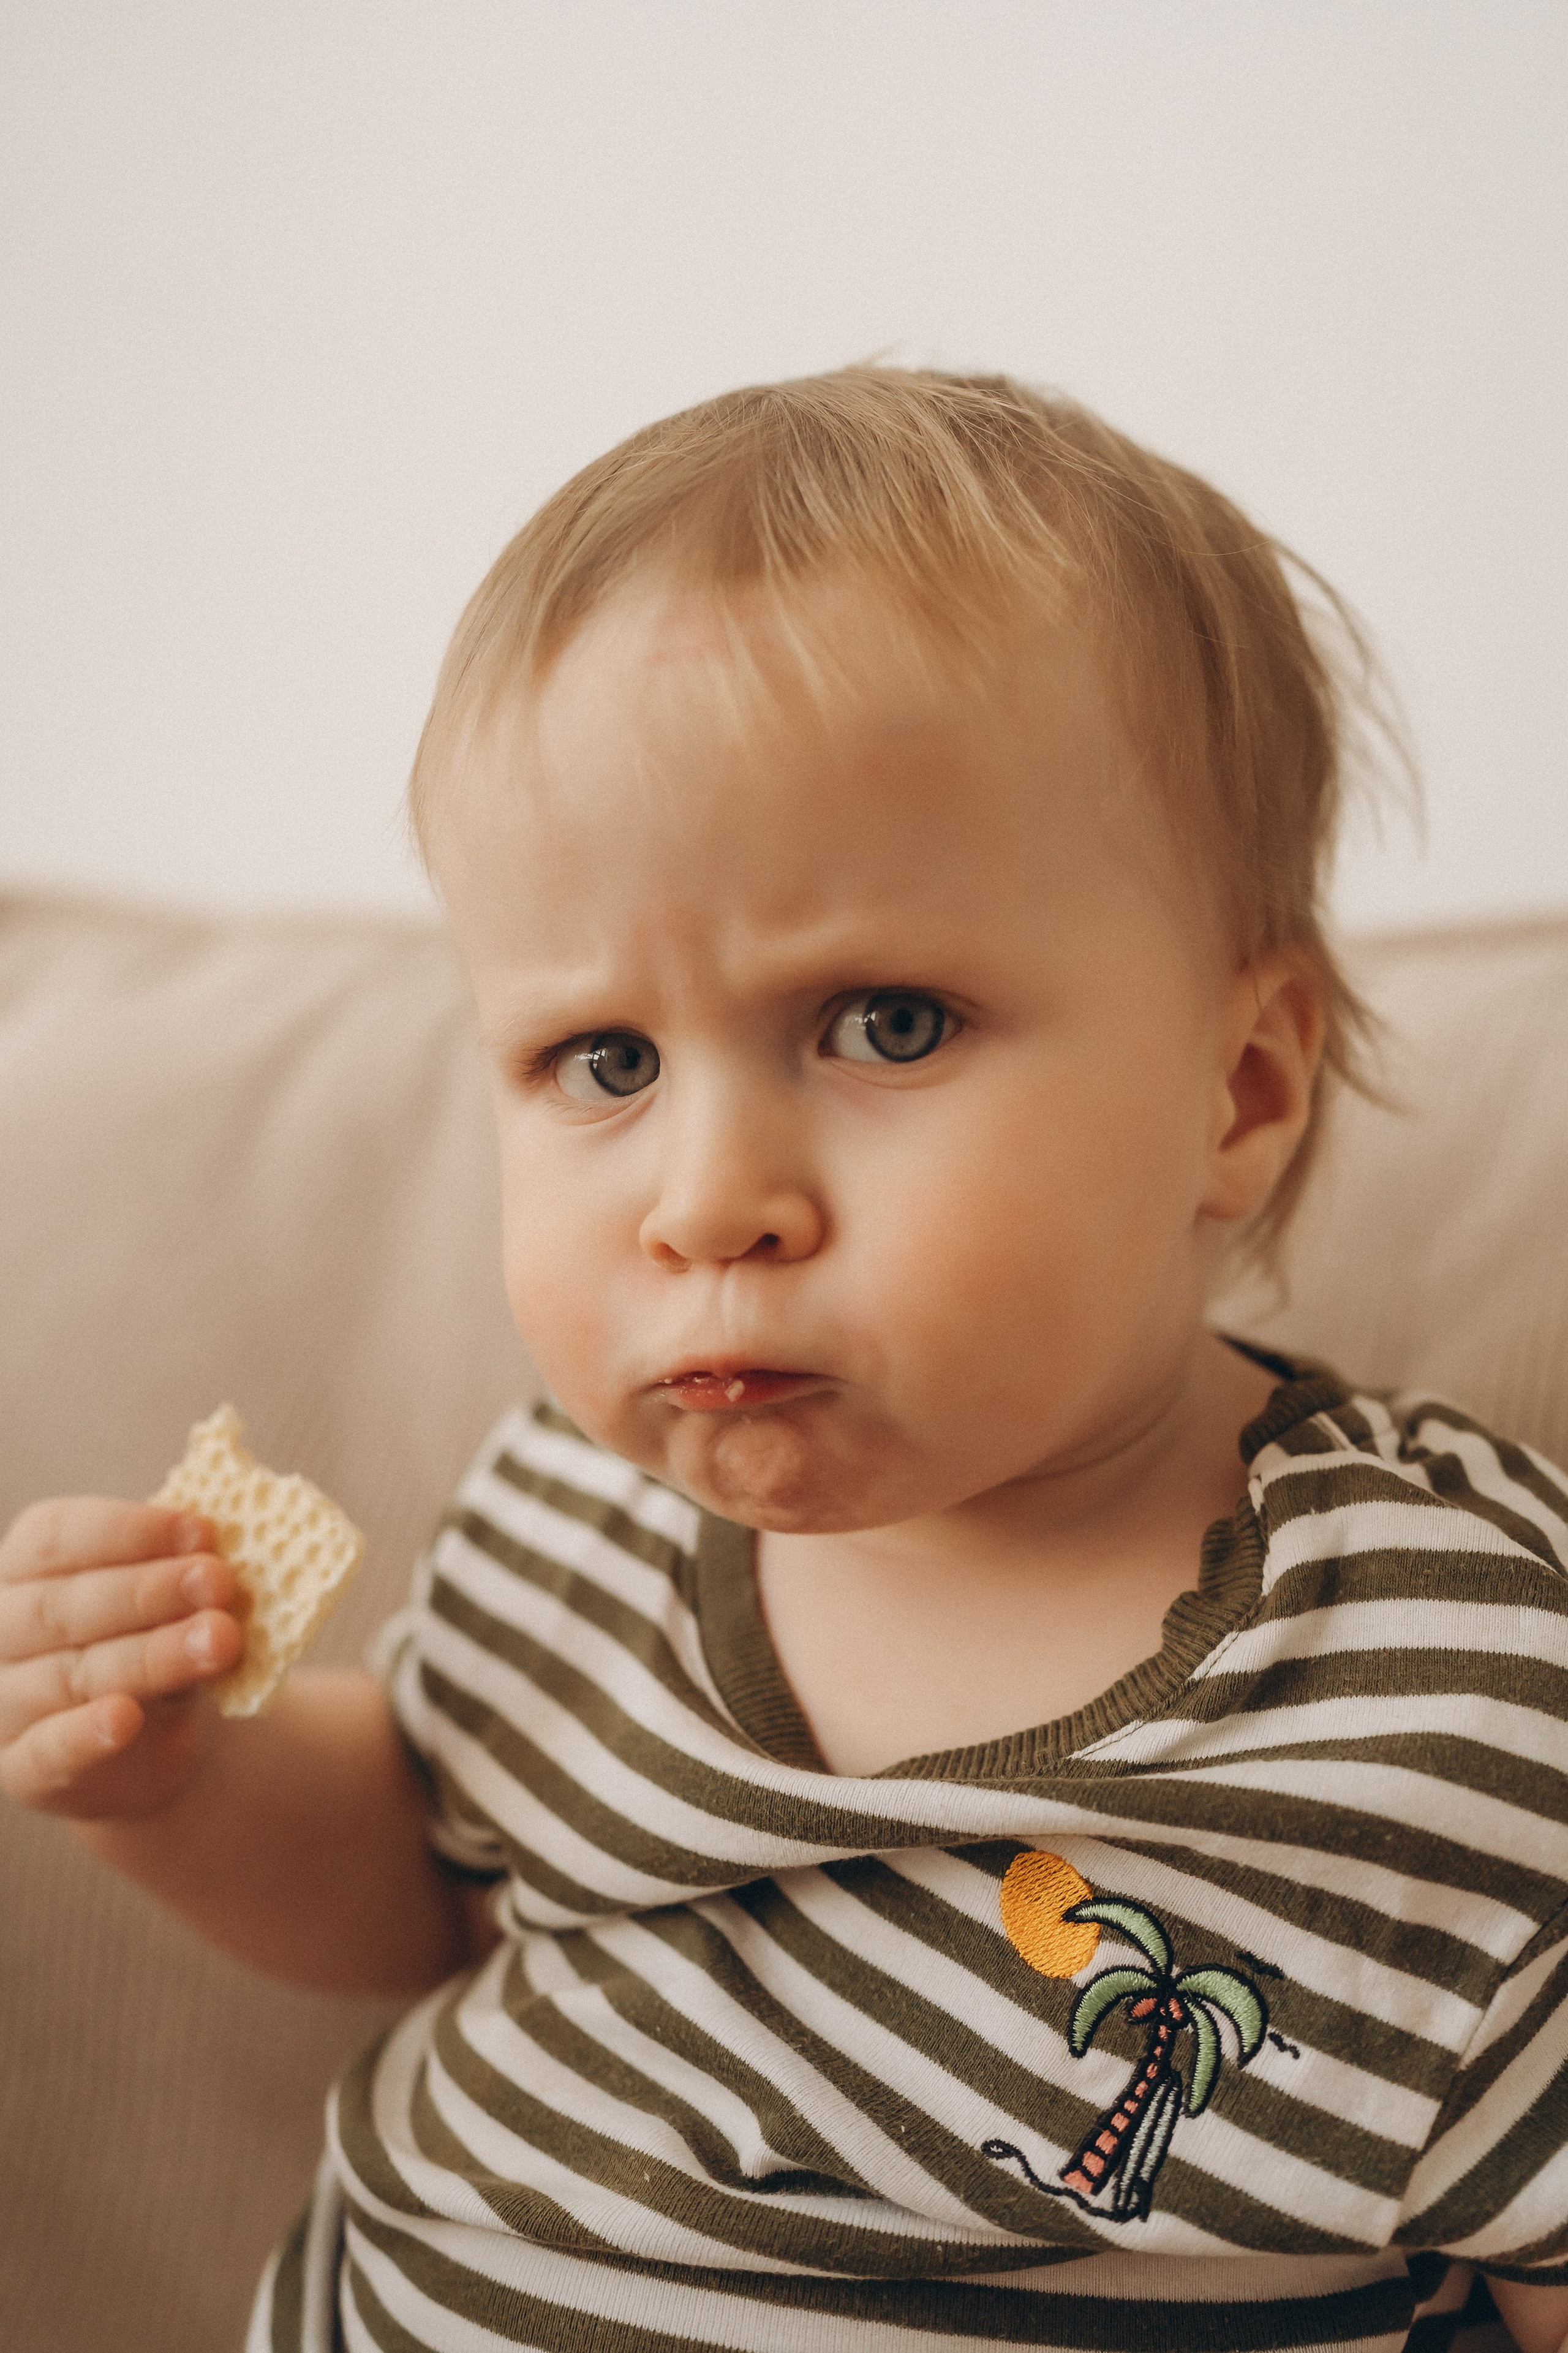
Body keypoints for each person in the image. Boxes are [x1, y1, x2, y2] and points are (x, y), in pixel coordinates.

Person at [2, 369, 1565, 2353]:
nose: (706, 1198)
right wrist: (186, 1781)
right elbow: (427, 1869)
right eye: (607, 1061)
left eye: (887, 1024)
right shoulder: (569, 1516)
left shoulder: (1454, 1678)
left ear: (1237, 1089)